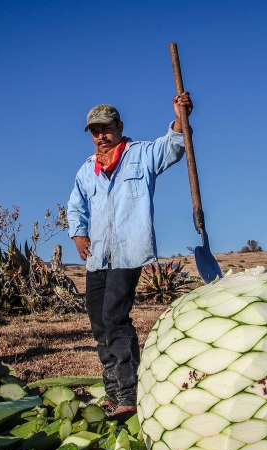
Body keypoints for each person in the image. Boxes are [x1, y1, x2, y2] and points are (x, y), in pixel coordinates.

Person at [67, 93, 193, 419]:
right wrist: (79, 234)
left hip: (128, 253)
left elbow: (173, 147)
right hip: (98, 257)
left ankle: (128, 394)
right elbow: (76, 205)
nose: (100, 136)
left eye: (106, 129)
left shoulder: (141, 155)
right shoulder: (87, 170)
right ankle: (111, 392)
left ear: (119, 127)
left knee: (114, 317)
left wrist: (181, 117)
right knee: (98, 323)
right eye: (95, 131)